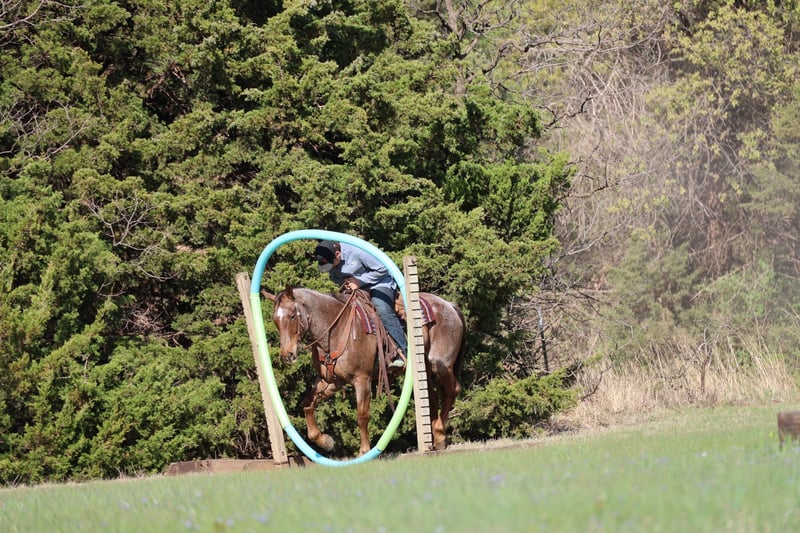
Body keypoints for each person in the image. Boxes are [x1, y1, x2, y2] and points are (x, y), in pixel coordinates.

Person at [314, 240, 406, 369]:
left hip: (379, 283)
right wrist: (345, 283)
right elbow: (334, 277)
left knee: (382, 308)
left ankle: (402, 351)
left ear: (338, 254)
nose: (330, 268)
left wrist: (359, 281)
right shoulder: (330, 260)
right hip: (355, 288)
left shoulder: (357, 251)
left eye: (331, 264)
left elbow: (382, 269)